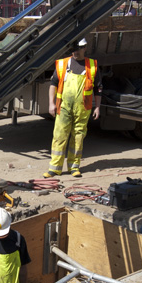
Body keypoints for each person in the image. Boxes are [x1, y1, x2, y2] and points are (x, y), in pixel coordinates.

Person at [44, 37, 102, 178]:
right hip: (64, 106)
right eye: (73, 50)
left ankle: (74, 167)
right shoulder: (63, 64)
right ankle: (55, 168)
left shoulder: (92, 65)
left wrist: (97, 107)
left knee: (78, 137)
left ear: (84, 48)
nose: (75, 52)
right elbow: (53, 84)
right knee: (59, 136)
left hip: (83, 108)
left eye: (78, 49)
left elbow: (98, 88)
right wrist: (51, 104)